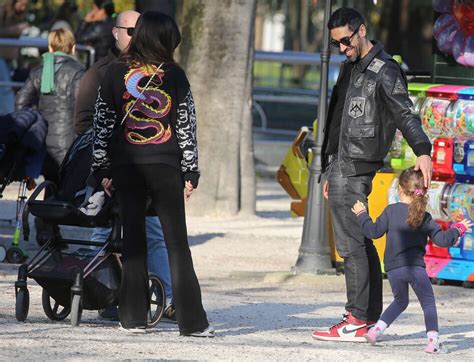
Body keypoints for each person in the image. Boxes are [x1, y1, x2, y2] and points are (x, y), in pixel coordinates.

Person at [312, 7, 432, 342]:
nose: (342, 48)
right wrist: (327, 168)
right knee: (359, 242)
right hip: (341, 164)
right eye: (337, 43)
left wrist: (422, 150)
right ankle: (366, 316)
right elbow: (336, 123)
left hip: (357, 166)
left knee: (352, 245)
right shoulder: (349, 68)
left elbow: (405, 113)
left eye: (346, 41)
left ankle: (357, 319)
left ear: (362, 30)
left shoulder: (385, 70)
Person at [91, 11, 213, 336]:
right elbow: (186, 125)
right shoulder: (175, 75)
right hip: (165, 164)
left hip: (127, 166)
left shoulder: (115, 73)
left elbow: (101, 124)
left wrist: (101, 167)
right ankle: (192, 322)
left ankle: (132, 317)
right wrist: (191, 170)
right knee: (176, 244)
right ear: (164, 39)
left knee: (133, 242)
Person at [74, 10, 175, 323]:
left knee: (155, 232)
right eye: (130, 31)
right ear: (116, 33)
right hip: (110, 168)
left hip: (147, 168)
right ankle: (103, 291)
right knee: (103, 231)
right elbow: (85, 125)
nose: (135, 37)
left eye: (140, 31)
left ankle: (167, 298)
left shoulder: (158, 72)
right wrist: (105, 164)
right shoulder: (100, 73)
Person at [351, 167, 472, 353]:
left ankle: (376, 331)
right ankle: (432, 342)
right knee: (428, 303)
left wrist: (361, 214)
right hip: (416, 269)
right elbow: (442, 240)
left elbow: (372, 232)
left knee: (400, 301)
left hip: (393, 269)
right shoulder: (425, 216)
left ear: (399, 189)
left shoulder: (391, 211)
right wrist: (458, 229)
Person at [15, 28, 85, 245]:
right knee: (61, 186)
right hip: (68, 140)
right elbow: (80, 105)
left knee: (50, 183)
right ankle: (48, 227)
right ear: (72, 48)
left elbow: (20, 103)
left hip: (43, 140)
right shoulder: (78, 71)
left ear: (50, 48)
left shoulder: (39, 71)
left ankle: (48, 229)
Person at [0, 0, 29, 115]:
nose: (23, 8)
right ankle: (10, 116)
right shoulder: (2, 12)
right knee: (6, 88)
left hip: (9, 58)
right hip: (1, 56)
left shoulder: (18, 16)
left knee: (7, 87)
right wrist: (16, 29)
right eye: (22, 4)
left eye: (25, 5)